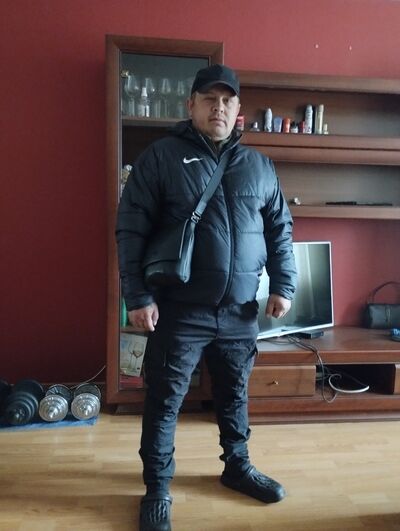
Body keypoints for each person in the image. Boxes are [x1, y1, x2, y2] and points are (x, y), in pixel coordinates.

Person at [116, 64, 297, 531]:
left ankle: (237, 467)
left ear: (238, 111)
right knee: (165, 401)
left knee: (234, 395)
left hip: (240, 311)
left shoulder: (259, 165)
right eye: (210, 99)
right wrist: (137, 296)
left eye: (227, 101)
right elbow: (131, 229)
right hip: (180, 310)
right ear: (191, 105)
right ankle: (157, 487)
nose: (219, 107)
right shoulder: (160, 157)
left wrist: (284, 284)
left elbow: (279, 228)